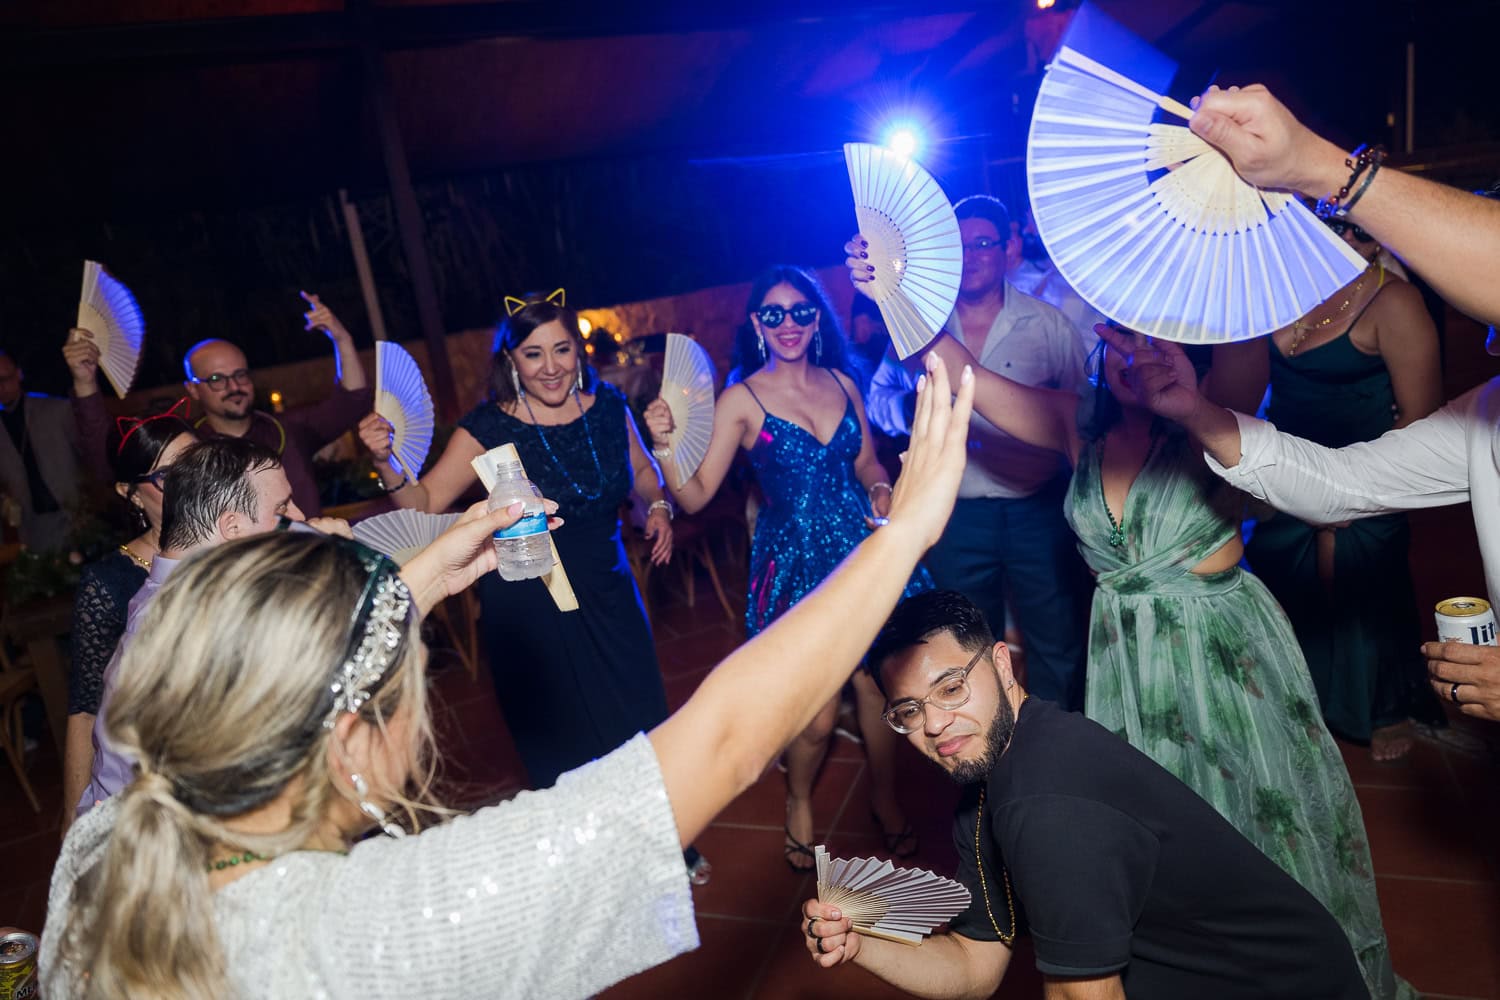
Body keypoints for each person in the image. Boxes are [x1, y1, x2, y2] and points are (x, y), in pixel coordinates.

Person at [40, 351, 976, 1000]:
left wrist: (414, 580)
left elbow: (272, 668)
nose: (319, 529)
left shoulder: (100, 859)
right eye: (405, 683)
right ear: (356, 749)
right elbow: (725, 741)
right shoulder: (382, 928)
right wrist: (904, 534)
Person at [896, 321, 1405, 996]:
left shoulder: (1221, 404)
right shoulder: (1077, 427)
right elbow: (967, 375)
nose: (1134, 356)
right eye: (1118, 341)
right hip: (1125, 664)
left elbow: (1243, 336)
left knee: (1260, 828)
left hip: (1221, 656)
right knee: (1148, 843)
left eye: (1152, 340)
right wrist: (892, 291)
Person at [801, 590, 1373, 1000]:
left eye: (951, 688)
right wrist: (862, 943)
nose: (937, 724)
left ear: (1002, 665)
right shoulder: (984, 774)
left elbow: (1085, 993)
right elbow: (977, 965)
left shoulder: (1045, 806)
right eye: (909, 711)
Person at [356, 292, 708, 872]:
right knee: (562, 733)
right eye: (533, 352)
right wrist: (387, 459)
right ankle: (589, 861)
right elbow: (423, 501)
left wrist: (660, 508)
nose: (550, 366)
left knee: (638, 715)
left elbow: (645, 475)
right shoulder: (487, 425)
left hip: (608, 589)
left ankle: (667, 842)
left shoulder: (610, 407)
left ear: (578, 351)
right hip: (527, 601)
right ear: (511, 361)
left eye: (561, 349)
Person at [644, 266, 930, 872]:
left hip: (857, 546)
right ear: (757, 325)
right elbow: (694, 497)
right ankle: (799, 798)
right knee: (817, 713)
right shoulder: (742, 400)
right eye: (773, 314)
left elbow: (868, 464)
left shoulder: (844, 383)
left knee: (878, 686)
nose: (789, 324)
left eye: (800, 311)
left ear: (816, 317)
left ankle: (884, 796)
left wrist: (879, 489)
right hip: (795, 562)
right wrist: (664, 445)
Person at [865, 194, 1093, 711]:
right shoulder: (920, 332)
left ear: (1009, 248)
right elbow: (877, 400)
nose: (972, 255)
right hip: (955, 515)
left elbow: (1083, 417)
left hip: (1037, 508)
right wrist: (918, 411)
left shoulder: (1047, 325)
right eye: (960, 246)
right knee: (965, 646)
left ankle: (1055, 753)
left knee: (1057, 639)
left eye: (984, 243)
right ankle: (990, 759)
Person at [1245, 218, 1446, 761]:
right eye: (1323, 223)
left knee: (1356, 573)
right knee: (1276, 578)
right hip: (1285, 470)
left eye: (1354, 229)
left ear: (1378, 236)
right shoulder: (1273, 289)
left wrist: (1350, 493)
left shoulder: (1394, 301)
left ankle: (1383, 707)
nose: (1338, 238)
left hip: (1368, 474)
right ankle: (1297, 699)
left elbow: (1420, 420)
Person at [75, 437, 325, 815]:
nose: (301, 517)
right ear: (233, 527)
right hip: (153, 853)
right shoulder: (182, 627)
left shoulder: (190, 589)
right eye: (284, 507)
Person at [62, 401, 196, 833]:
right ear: (130, 492)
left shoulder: (237, 544)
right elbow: (86, 709)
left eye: (194, 463)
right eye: (166, 476)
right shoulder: (110, 582)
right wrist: (74, 822)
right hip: (153, 784)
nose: (189, 481)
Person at [178, 292, 371, 516]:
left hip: (306, 549)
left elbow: (352, 402)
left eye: (240, 374)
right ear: (193, 389)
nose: (233, 387)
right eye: (216, 379)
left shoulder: (286, 430)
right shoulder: (188, 449)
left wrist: (342, 339)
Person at [0, 349, 87, 551]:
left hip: (76, 515)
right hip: (30, 526)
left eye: (6, 378)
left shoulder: (55, 409)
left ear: (19, 374)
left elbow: (90, 458)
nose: (2, 387)